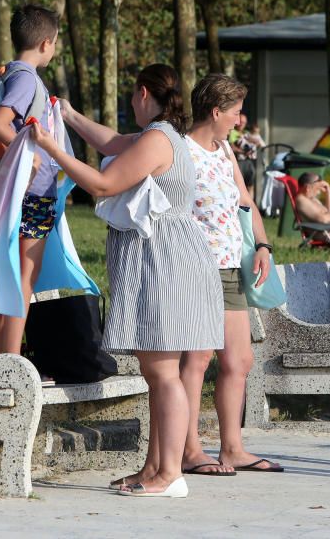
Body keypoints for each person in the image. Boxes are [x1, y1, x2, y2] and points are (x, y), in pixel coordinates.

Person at [31, 64, 224, 499]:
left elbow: (102, 183)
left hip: (166, 264)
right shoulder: (160, 135)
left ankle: (170, 473)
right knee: (160, 374)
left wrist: (51, 148)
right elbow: (113, 143)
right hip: (168, 259)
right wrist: (69, 116)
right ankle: (154, 467)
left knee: (162, 373)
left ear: (142, 94)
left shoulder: (156, 139)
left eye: (130, 98)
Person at [180, 74, 282, 475]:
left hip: (231, 266)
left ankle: (232, 447)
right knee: (198, 358)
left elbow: (246, 202)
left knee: (239, 359)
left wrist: (262, 244)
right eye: (237, 112)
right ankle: (188, 450)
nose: (241, 121)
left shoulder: (223, 150)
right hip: (195, 267)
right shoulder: (180, 150)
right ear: (215, 111)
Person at [0, 4, 61, 356]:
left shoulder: (13, 74)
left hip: (24, 193)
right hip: (32, 193)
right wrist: (28, 156)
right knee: (22, 283)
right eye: (56, 43)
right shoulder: (27, 78)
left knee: (14, 279)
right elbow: (0, 124)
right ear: (46, 43)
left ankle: (5, 359)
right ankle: (12, 364)